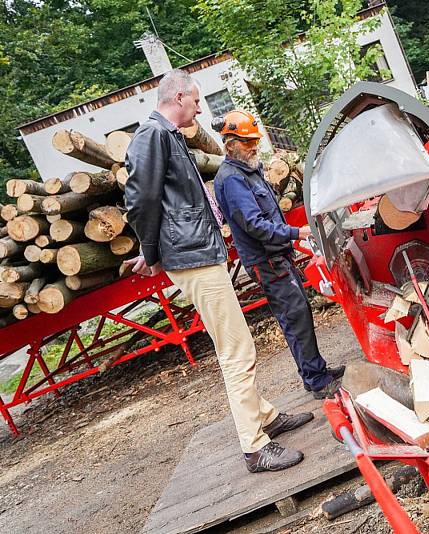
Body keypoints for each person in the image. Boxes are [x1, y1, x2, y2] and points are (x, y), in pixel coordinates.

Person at [124, 69, 312, 474]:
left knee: (237, 342)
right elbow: (139, 200)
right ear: (177, 96)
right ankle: (255, 446)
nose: (198, 109)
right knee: (237, 350)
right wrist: (152, 250)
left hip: (196, 253)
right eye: (194, 101)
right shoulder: (152, 136)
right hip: (190, 257)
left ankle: (263, 417)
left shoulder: (167, 136)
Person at [211, 109, 344, 400]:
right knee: (294, 316)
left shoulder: (249, 169)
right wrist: (297, 234)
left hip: (276, 255)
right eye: (247, 142)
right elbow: (255, 225)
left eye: (254, 141)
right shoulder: (232, 179)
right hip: (265, 260)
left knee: (299, 313)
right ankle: (316, 380)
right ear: (230, 143)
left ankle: (316, 371)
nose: (254, 146)